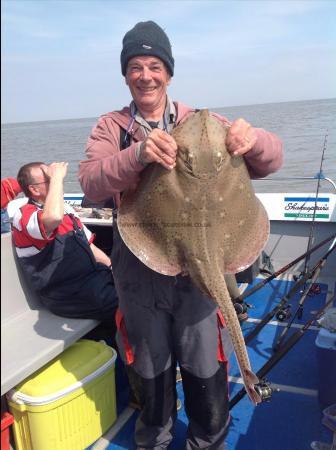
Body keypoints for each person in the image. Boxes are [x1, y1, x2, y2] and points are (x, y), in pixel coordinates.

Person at [79, 21, 283, 450]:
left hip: (200, 266)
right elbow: (92, 182)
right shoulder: (112, 127)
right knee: (150, 360)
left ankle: (208, 439)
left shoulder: (202, 123)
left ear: (168, 73)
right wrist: (138, 153)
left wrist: (255, 138)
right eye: (135, 66)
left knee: (202, 356)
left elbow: (269, 160)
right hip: (140, 265)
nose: (146, 75)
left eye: (155, 65)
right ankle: (155, 439)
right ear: (126, 74)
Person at [11, 161, 118, 324]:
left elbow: (90, 246)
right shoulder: (24, 216)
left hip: (93, 282)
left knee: (145, 285)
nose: (56, 181)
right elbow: (53, 218)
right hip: (66, 296)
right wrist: (58, 178)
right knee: (137, 303)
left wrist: (113, 268)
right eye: (49, 179)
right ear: (34, 189)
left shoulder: (66, 210)